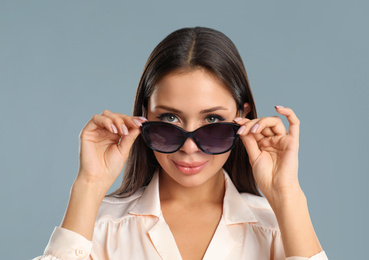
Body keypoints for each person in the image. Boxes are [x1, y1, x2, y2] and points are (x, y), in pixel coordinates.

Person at [34, 27, 328, 260]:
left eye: (212, 120)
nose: (189, 147)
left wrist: (287, 194)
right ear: (143, 117)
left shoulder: (279, 230)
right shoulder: (96, 229)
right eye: (170, 119)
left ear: (242, 117)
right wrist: (89, 185)